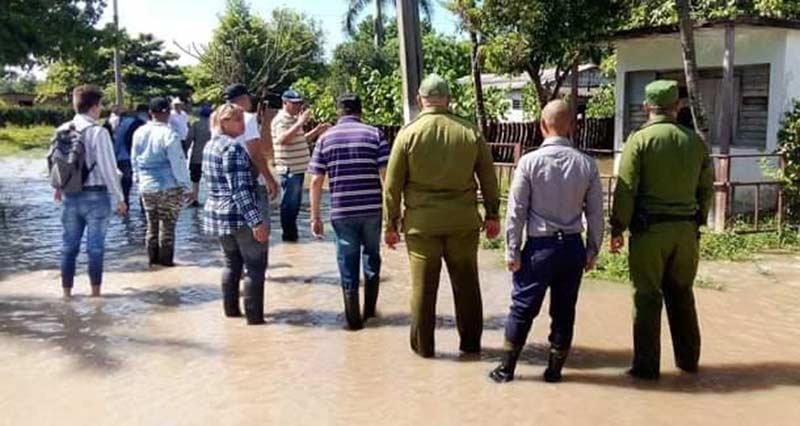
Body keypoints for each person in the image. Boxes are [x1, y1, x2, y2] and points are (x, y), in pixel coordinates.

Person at [383, 74, 500, 358]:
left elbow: (392, 185)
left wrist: (390, 224)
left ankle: (425, 352)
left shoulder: (408, 134)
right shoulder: (470, 132)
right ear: (449, 99)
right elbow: (488, 178)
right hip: (463, 222)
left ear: (419, 99)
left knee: (423, 291)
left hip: (422, 227)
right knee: (468, 288)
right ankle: (471, 347)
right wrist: (493, 214)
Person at [489, 100, 604, 383]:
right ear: (573, 128)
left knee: (522, 308)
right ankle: (554, 372)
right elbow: (596, 214)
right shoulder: (587, 165)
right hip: (573, 248)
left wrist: (511, 250)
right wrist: (592, 251)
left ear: (542, 126)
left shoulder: (528, 162)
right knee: (564, 311)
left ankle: (506, 370)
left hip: (540, 249)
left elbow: (516, 212)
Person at [610, 80, 715, 380]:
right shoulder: (695, 141)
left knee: (646, 297)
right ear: (677, 106)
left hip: (649, 233)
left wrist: (618, 227)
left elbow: (626, 189)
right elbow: (706, 189)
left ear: (646, 107)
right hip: (685, 233)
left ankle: (646, 367)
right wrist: (698, 222)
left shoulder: (640, 140)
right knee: (682, 295)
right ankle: (688, 362)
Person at [308, 94, 389, 330]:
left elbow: (315, 181)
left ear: (339, 112)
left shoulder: (325, 139)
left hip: (342, 211)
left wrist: (315, 217)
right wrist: (395, 212)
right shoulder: (375, 135)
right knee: (371, 256)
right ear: (360, 112)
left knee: (347, 259)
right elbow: (386, 177)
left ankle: (353, 321)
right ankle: (371, 312)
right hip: (372, 209)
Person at [52, 84, 127, 299]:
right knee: (95, 248)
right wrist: (120, 197)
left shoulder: (62, 129)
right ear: (94, 107)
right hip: (96, 196)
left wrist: (57, 188)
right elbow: (108, 168)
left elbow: (55, 162)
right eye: (100, 104)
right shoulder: (98, 132)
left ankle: (66, 294)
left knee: (68, 247)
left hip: (70, 195)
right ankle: (95, 295)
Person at [203, 103, 270, 325]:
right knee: (255, 266)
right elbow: (240, 190)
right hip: (238, 215)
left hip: (218, 215)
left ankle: (231, 314)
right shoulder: (232, 149)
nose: (243, 124)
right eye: (238, 120)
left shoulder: (210, 146)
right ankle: (255, 320)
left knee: (231, 264)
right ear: (224, 122)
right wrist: (256, 221)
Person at [131, 97, 192, 267]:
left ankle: (153, 263)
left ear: (150, 113)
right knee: (168, 228)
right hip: (169, 186)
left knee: (151, 226)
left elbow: (134, 160)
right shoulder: (169, 134)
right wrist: (187, 186)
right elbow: (177, 163)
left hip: (146, 186)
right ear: (168, 113)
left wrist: (138, 180)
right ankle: (166, 265)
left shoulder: (139, 133)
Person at [271, 89, 330, 242]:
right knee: (289, 205)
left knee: (295, 204)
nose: (298, 106)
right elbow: (283, 139)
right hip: (289, 169)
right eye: (295, 103)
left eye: (299, 103)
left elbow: (298, 139)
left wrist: (316, 131)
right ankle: (289, 237)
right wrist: (300, 122)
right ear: (285, 103)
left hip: (297, 169)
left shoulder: (292, 119)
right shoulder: (281, 120)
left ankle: (291, 236)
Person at [223, 84, 279, 222]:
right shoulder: (246, 118)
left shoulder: (219, 121)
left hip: (224, 181)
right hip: (249, 180)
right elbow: (256, 154)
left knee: (232, 230)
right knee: (258, 229)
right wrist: (270, 180)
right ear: (244, 99)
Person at [114, 104, 148, 208]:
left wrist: (114, 156)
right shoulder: (141, 123)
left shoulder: (124, 123)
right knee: (142, 183)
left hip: (123, 157)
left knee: (126, 186)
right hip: (136, 157)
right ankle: (144, 208)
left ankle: (125, 206)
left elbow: (118, 141)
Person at [186, 104, 213, 206]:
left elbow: (189, 138)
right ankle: (212, 198)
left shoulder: (196, 124)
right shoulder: (214, 125)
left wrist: (185, 150)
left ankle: (195, 198)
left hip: (197, 156)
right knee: (211, 178)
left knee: (195, 179)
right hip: (210, 156)